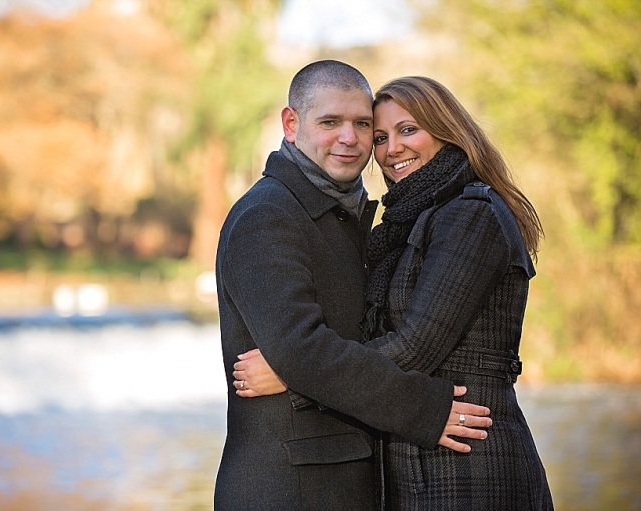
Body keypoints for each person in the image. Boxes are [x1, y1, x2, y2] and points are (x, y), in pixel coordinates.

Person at [234, 76, 554, 510]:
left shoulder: (472, 215)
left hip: (469, 460)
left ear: (448, 129)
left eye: (407, 130)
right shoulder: (412, 223)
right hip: (418, 459)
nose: (390, 148)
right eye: (381, 136)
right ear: (292, 124)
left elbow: (416, 346)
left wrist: (296, 375)